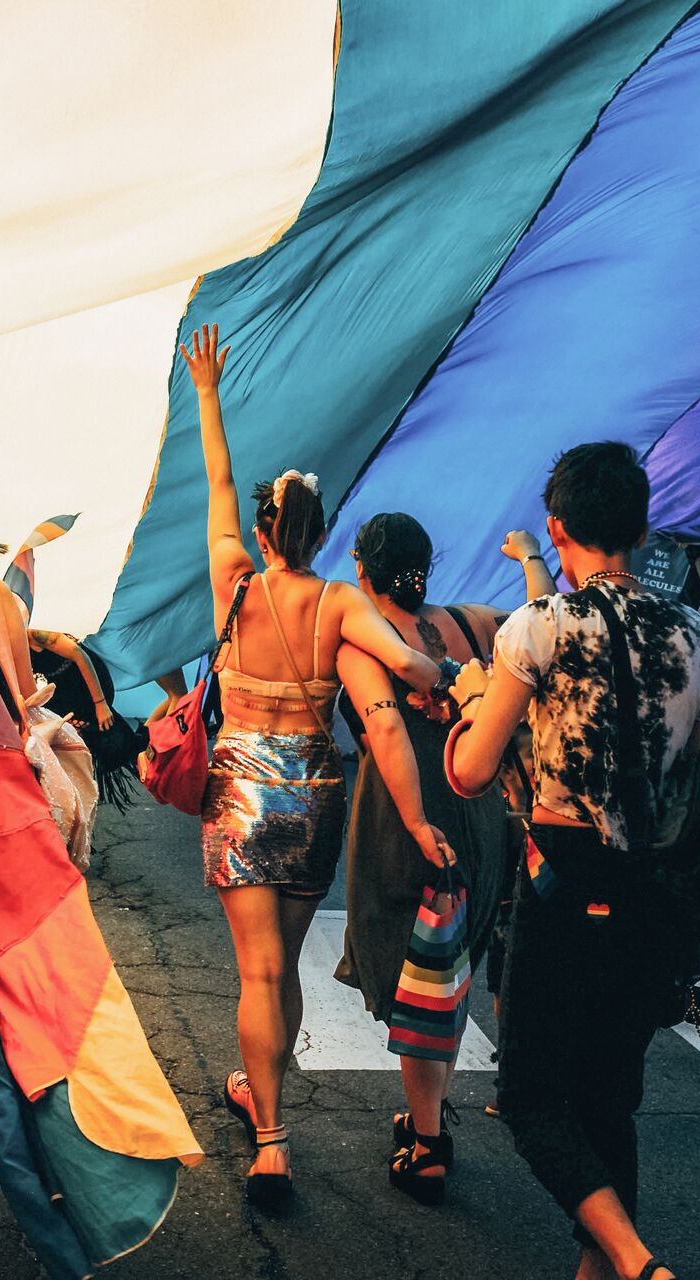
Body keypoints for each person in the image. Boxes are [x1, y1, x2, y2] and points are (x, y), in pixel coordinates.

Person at [448, 442, 700, 1280]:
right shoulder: (695, 637)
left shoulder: (541, 627)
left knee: (532, 1097)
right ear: (641, 529)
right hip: (656, 891)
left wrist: (470, 704)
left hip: (565, 880)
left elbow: (470, 770)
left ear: (556, 528)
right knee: (610, 1102)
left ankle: (639, 1262)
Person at [180, 323, 441, 1201]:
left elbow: (215, 480)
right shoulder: (336, 602)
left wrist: (209, 393)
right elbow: (406, 665)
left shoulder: (234, 580)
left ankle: (271, 1138)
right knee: (280, 968)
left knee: (253, 972)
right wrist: (452, 679)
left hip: (243, 785)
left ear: (264, 527)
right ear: (324, 532)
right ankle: (264, 1097)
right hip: (314, 792)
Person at [336, 512, 511, 1204]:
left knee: (413, 968)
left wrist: (412, 821)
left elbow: (382, 726)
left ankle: (428, 1139)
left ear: (362, 570)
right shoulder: (474, 625)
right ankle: (425, 1111)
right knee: (450, 963)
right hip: (478, 806)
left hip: (405, 816)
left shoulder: (363, 642)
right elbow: (541, 622)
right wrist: (529, 559)